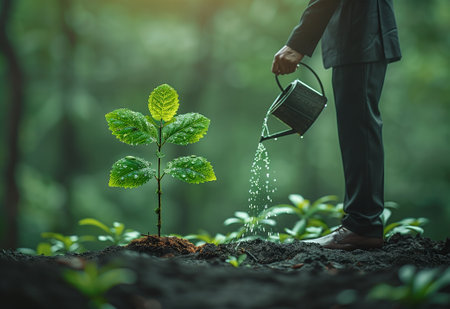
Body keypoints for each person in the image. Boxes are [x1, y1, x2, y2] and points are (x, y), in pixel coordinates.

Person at [271, 0, 401, 250]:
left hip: (361, 34)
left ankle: (362, 226)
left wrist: (297, 43)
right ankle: (361, 223)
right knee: (357, 129)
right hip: (361, 35)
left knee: (360, 129)